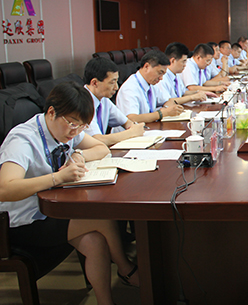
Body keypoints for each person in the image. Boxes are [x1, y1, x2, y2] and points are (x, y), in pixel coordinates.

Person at [0, 82, 139, 305]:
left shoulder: (67, 128)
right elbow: (5, 189)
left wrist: (79, 156)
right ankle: (126, 269)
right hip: (23, 222)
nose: (75, 132)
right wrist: (57, 178)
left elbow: (101, 148)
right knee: (99, 216)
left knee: (95, 242)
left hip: (51, 209)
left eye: (82, 127)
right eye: (73, 124)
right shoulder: (22, 139)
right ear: (51, 112)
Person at [83, 57, 145, 146]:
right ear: (95, 83)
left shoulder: (103, 99)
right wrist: (132, 133)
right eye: (112, 82)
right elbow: (97, 140)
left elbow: (126, 122)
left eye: (116, 81)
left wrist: (133, 127)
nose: (116, 87)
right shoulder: (82, 102)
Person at [117, 50, 184, 123]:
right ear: (147, 66)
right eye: (160, 72)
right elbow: (132, 119)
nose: (161, 78)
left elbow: (167, 101)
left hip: (150, 127)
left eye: (163, 74)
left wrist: (168, 109)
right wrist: (161, 113)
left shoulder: (151, 84)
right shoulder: (129, 88)